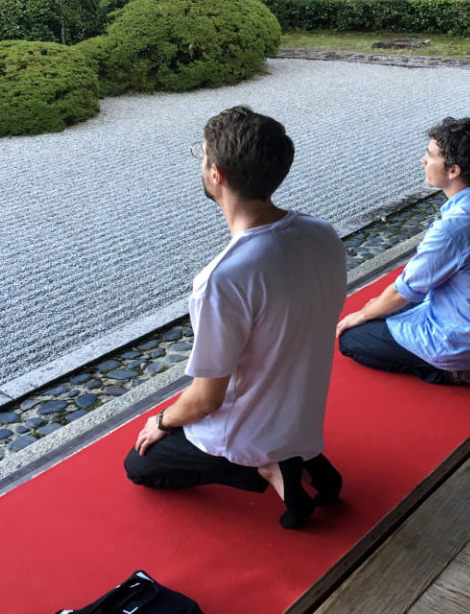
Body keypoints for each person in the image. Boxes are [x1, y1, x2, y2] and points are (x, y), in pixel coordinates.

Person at [124, 106, 348, 529]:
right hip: (302, 416)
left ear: (217, 174)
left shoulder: (224, 278)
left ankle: (265, 466)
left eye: (202, 156)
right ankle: (296, 456)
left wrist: (160, 420)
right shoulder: (322, 233)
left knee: (140, 465)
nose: (203, 164)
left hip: (242, 433)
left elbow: (206, 398)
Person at [336, 117, 470, 390]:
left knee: (353, 338)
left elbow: (404, 291)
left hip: (465, 341)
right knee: (384, 308)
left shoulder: (456, 228)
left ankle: (458, 372)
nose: (423, 160)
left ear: (453, 170)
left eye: (430, 155)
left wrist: (362, 314)